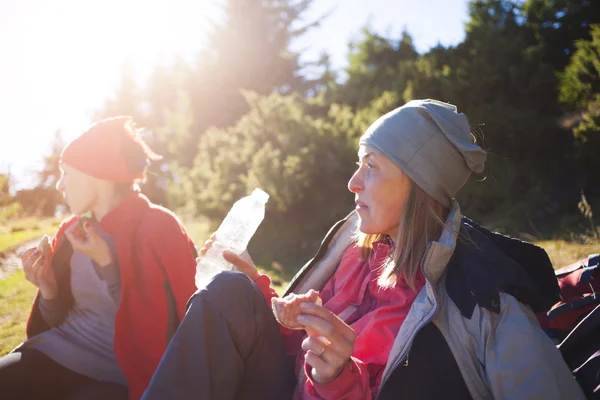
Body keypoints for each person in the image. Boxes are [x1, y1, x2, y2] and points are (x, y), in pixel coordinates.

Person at [142, 100, 585, 400]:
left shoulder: (480, 296)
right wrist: (267, 299)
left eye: (371, 167)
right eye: (358, 164)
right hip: (290, 386)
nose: (352, 182)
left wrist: (335, 375)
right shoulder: (355, 246)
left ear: (418, 185)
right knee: (229, 292)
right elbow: (294, 349)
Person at [0, 116, 198, 400]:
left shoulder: (160, 228)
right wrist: (48, 289)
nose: (59, 185)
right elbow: (55, 319)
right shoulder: (71, 231)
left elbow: (182, 324)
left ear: (96, 174)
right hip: (56, 350)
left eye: (66, 173)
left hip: (120, 374)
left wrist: (108, 265)